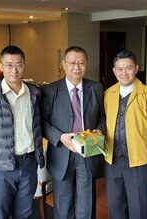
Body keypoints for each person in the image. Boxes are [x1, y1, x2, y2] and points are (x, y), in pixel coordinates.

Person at [0, 45, 45, 219]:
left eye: (19, 65)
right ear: (1, 66)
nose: (14, 70)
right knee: (1, 213)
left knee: (25, 213)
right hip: (0, 167)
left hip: (28, 163)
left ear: (24, 66)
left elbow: (38, 124)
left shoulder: (33, 93)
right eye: (9, 65)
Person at [41, 46, 105, 219]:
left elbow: (102, 117)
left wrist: (100, 129)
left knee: (87, 204)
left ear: (86, 64)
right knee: (62, 204)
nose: (77, 67)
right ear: (63, 64)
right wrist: (60, 137)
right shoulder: (49, 90)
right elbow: (43, 123)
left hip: (88, 152)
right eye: (72, 62)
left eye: (81, 63)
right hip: (62, 152)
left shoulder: (96, 88)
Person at [104, 50, 147, 219]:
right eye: (120, 69)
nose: (124, 73)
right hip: (112, 158)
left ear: (136, 68)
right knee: (114, 204)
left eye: (128, 68)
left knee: (138, 205)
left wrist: (142, 142)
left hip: (138, 159)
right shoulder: (108, 94)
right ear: (114, 71)